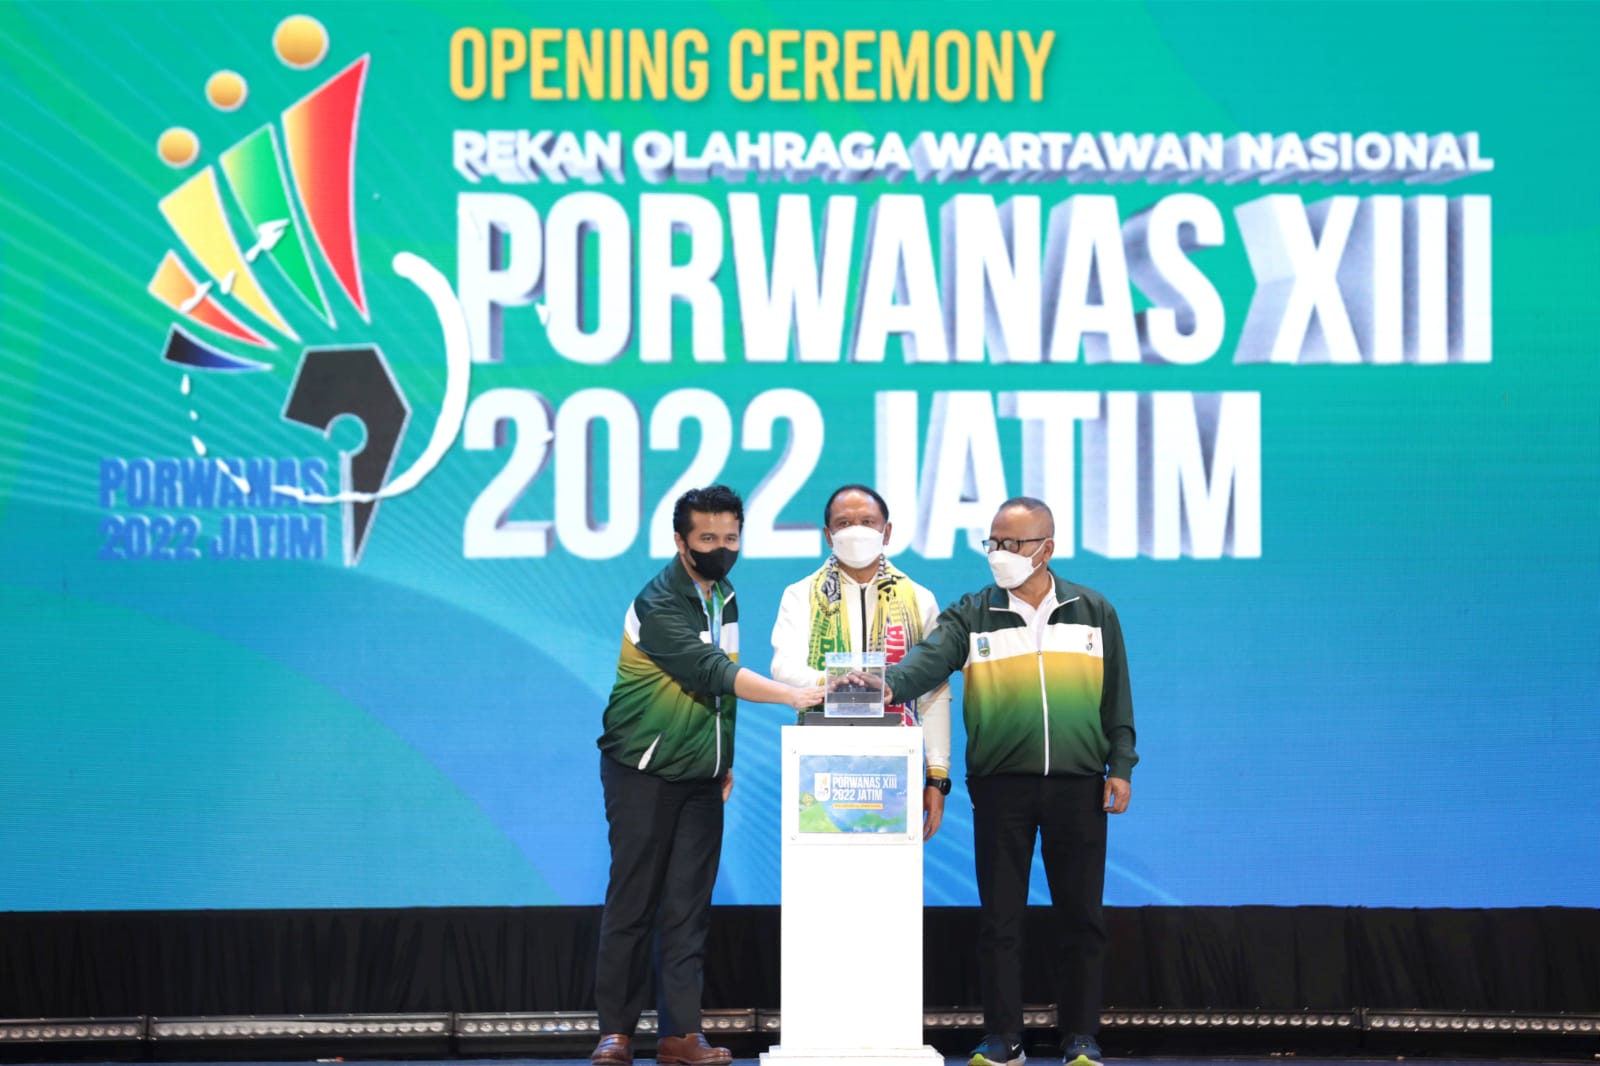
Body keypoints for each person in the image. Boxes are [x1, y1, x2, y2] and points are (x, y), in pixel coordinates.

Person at [882, 497, 1137, 1066]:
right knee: (1000, 921)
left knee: (1082, 918)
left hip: (1079, 784)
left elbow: (1116, 695)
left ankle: (1080, 1037)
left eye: (1012, 544)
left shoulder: (1093, 610)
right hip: (1001, 787)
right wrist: (880, 685)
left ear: (1046, 548)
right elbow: (926, 663)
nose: (999, 553)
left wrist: (1120, 765)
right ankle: (1003, 1038)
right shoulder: (972, 614)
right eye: (993, 542)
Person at [591, 485, 824, 1066]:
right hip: (641, 770)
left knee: (688, 909)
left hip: (701, 778)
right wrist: (793, 694)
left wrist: (723, 760)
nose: (722, 548)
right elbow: (712, 673)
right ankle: (616, 1032)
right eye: (708, 538)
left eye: (731, 537)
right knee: (633, 903)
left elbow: (720, 701)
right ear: (681, 542)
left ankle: (681, 1035)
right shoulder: (658, 604)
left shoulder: (726, 597)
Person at [770, 484, 954, 839]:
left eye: (867, 522)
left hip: (896, 762)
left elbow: (934, 691)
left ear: (887, 531)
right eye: (844, 523)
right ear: (828, 535)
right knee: (823, 866)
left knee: (889, 869)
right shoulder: (801, 595)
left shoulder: (919, 599)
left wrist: (936, 775)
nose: (856, 531)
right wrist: (830, 683)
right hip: (820, 762)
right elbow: (783, 668)